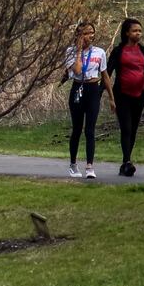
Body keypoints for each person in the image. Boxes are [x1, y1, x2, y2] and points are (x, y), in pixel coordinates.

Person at [104, 17, 144, 177]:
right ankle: (127, 161)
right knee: (126, 127)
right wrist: (105, 93)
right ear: (127, 33)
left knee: (134, 128)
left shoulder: (143, 51)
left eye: (140, 31)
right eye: (135, 31)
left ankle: (126, 162)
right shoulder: (118, 51)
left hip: (140, 95)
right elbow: (108, 72)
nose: (138, 33)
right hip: (122, 95)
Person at [63, 20, 107, 179]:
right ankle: (73, 164)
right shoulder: (70, 51)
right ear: (78, 35)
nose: (90, 36)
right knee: (77, 129)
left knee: (90, 129)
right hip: (78, 88)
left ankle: (90, 166)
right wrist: (80, 50)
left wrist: (111, 97)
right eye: (85, 33)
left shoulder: (100, 52)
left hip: (93, 89)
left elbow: (105, 75)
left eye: (91, 32)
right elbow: (77, 69)